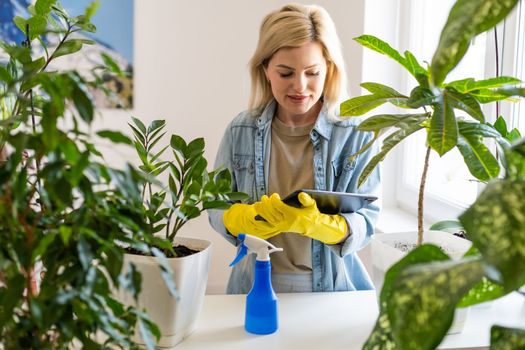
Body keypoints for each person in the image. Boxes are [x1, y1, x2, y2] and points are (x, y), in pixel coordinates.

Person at [208, 3, 381, 294]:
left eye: (312, 72)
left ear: (329, 67)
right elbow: (215, 205)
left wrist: (319, 225)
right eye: (286, 73)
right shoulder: (241, 130)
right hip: (254, 286)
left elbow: (367, 220)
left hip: (332, 292)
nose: (300, 86)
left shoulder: (354, 133)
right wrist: (236, 218)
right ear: (265, 70)